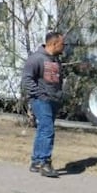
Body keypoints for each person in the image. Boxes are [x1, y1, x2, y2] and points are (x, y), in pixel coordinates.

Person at [23, 31, 65, 178]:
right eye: (62, 43)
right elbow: (27, 80)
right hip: (40, 100)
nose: (64, 46)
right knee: (48, 130)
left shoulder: (55, 60)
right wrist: (39, 95)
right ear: (54, 44)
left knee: (43, 130)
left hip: (53, 100)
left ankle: (36, 161)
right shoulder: (36, 59)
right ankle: (45, 163)